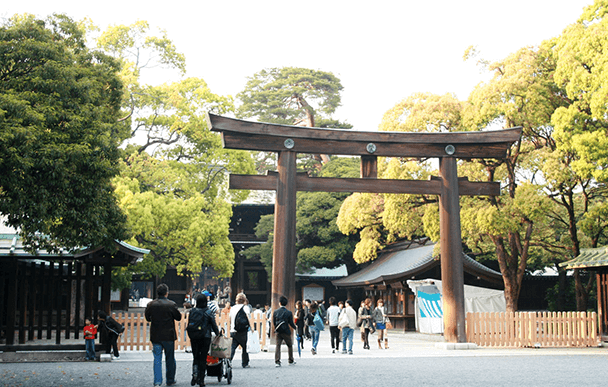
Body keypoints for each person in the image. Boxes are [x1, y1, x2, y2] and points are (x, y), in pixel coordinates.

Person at [145, 283, 182, 387]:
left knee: (157, 358)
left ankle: (157, 381)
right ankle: (170, 380)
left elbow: (148, 318)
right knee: (170, 358)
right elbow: (178, 317)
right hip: (168, 335)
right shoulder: (171, 304)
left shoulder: (151, 304)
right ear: (166, 293)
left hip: (156, 334)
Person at [188, 294, 220, 387]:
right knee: (203, 358)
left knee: (196, 357)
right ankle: (201, 380)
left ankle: (195, 375)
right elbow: (213, 325)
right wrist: (218, 334)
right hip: (205, 337)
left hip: (194, 336)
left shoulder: (192, 311)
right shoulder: (208, 312)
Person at [273, 295, 297, 367]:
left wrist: (276, 328)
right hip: (286, 331)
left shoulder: (276, 312)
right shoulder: (289, 312)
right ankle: (290, 360)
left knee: (278, 346)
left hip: (278, 331)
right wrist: (295, 328)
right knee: (289, 345)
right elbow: (291, 323)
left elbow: (274, 322)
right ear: (286, 303)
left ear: (279, 303)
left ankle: (277, 361)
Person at [229, 292, 252, 368]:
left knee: (233, 347)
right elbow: (249, 318)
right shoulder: (246, 308)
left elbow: (229, 319)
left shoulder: (232, 308)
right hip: (242, 331)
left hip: (233, 330)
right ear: (244, 300)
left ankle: (229, 360)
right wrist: (252, 328)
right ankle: (245, 363)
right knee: (244, 347)